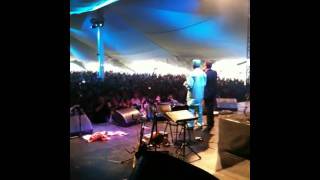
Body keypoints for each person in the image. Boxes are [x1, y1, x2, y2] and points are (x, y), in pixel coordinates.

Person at [184, 59, 207, 129]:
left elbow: (189, 85)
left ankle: (190, 125)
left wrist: (185, 83)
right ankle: (200, 123)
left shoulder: (192, 74)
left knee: (191, 110)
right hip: (200, 95)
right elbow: (205, 84)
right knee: (199, 110)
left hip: (193, 95)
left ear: (193, 65)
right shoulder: (203, 73)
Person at [203, 60, 217, 129]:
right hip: (213, 93)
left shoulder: (205, 74)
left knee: (208, 109)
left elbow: (203, 83)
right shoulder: (214, 73)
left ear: (206, 65)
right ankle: (211, 123)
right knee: (211, 109)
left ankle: (209, 124)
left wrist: (204, 71)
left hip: (207, 93)